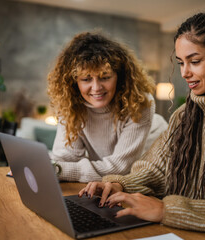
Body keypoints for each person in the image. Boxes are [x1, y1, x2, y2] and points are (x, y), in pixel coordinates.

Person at [78, 13, 205, 239]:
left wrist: (166, 210)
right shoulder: (183, 116)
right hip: (186, 231)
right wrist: (119, 185)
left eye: (195, 61)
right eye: (181, 62)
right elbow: (154, 171)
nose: (184, 73)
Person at [47, 32, 156, 182]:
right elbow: (65, 157)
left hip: (144, 178)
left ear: (119, 76)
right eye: (86, 79)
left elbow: (120, 168)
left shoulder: (140, 102)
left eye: (105, 77)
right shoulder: (70, 104)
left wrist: (57, 170)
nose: (96, 87)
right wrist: (43, 166)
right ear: (74, 82)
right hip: (108, 183)